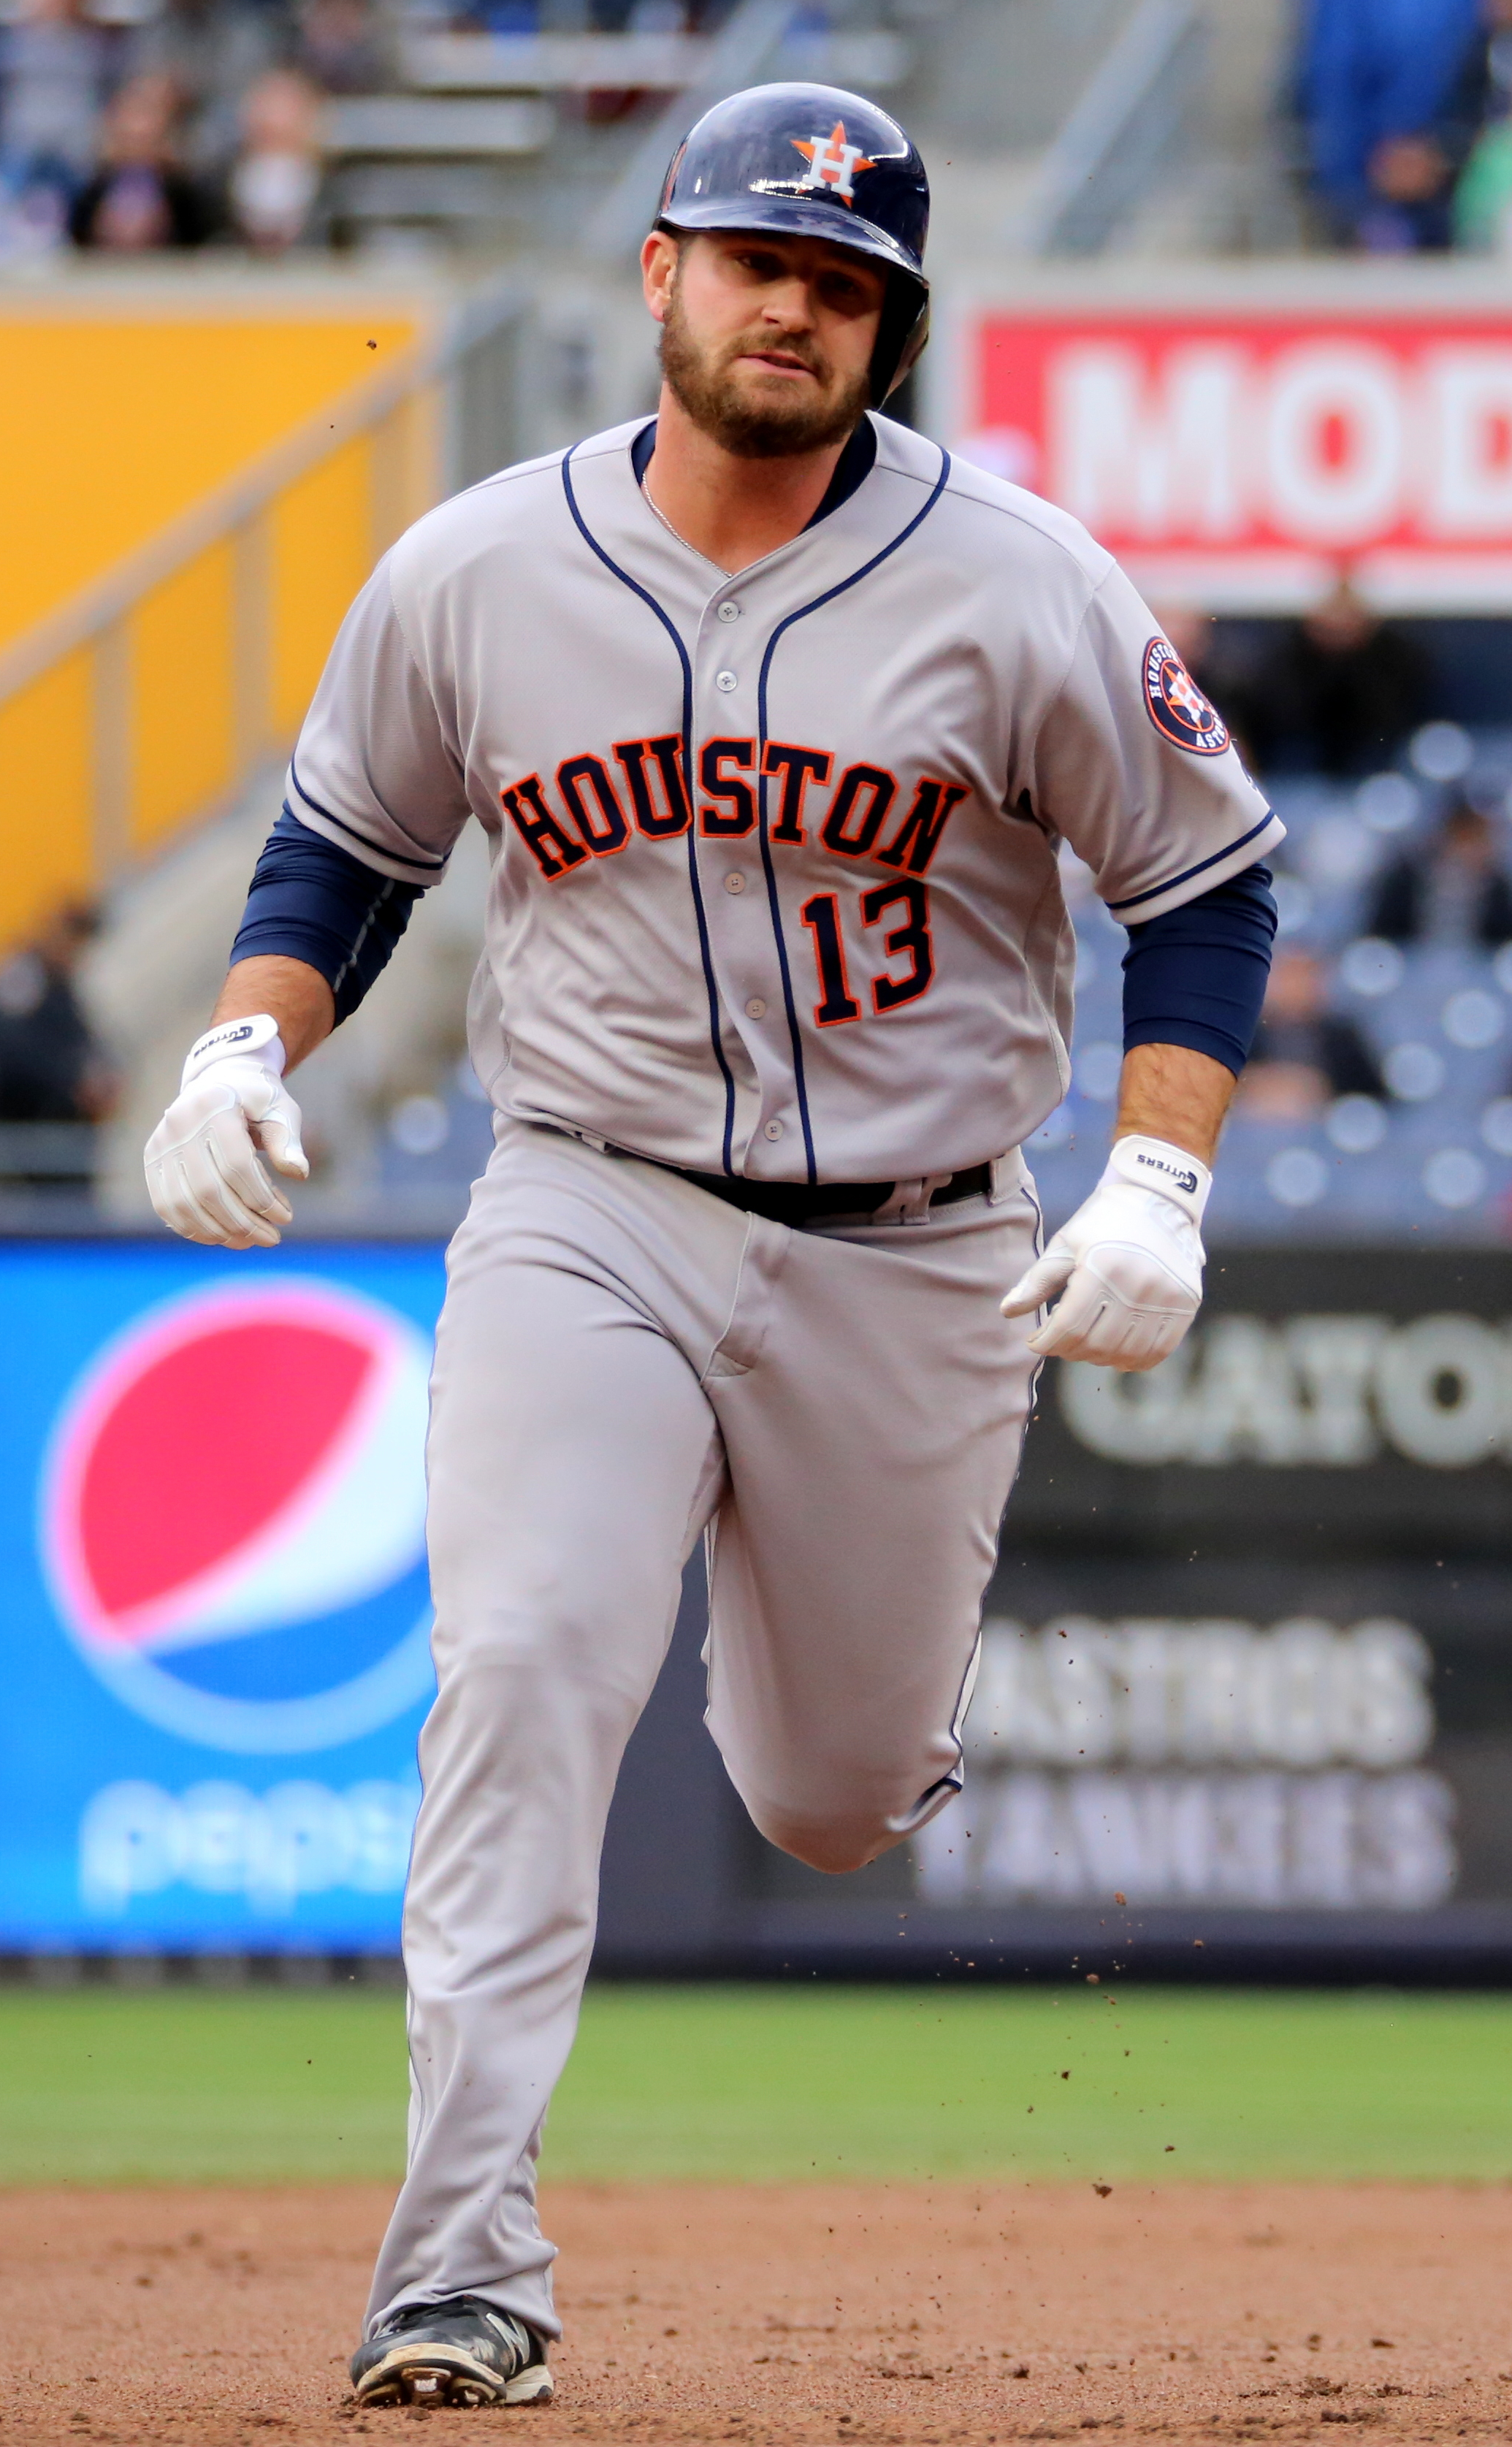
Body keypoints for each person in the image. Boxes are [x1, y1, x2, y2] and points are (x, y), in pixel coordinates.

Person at [142, 82, 1283, 2412]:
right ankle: (459, 2263)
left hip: (919, 1244)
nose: (798, 302)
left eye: (849, 282)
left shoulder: (1022, 577)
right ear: (658, 271)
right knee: (523, 1665)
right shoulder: (475, 565)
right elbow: (341, 855)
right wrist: (242, 1046)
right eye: (761, 257)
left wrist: (1158, 1170)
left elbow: (1209, 882)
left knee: (834, 1797)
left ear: (896, 332)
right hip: (593, 1198)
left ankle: (849, 1677)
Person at [1294, 0, 1486, 249]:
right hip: (1367, 183)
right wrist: (1363, 175)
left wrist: (1440, 147)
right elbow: (1331, 86)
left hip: (1456, 178)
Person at [1240, 579, 1430, 778]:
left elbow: (1391, 718)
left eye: (1349, 616)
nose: (1340, 624)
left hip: (1377, 765)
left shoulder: (1393, 657)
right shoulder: (1288, 657)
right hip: (1301, 768)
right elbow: (1282, 718)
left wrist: (1354, 657)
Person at [0, 0, 115, 252]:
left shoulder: (98, 44)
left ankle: (52, 237)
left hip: (77, 146)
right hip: (21, 143)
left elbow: (110, 102)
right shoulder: (11, 43)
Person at [0, 900, 117, 1139]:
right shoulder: (24, 976)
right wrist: (71, 1081)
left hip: (58, 1116)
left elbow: (79, 1035)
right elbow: (16, 1047)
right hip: (26, 1116)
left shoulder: (60, 985)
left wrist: (98, 1072)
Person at [69, 70, 216, 249]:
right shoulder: (93, 185)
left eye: (148, 114)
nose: (139, 129)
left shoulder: (184, 190)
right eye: (131, 114)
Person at [1237, 945, 1386, 1120]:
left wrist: (1321, 1091)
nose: (1296, 985)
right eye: (1289, 975)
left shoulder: (1343, 1036)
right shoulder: (1243, 1033)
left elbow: (1374, 1098)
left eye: (1306, 974)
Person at [1366, 797, 1512, 947]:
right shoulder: (1404, 883)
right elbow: (1381, 938)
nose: (1467, 851)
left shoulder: (1499, 891)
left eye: (1476, 840)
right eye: (1462, 838)